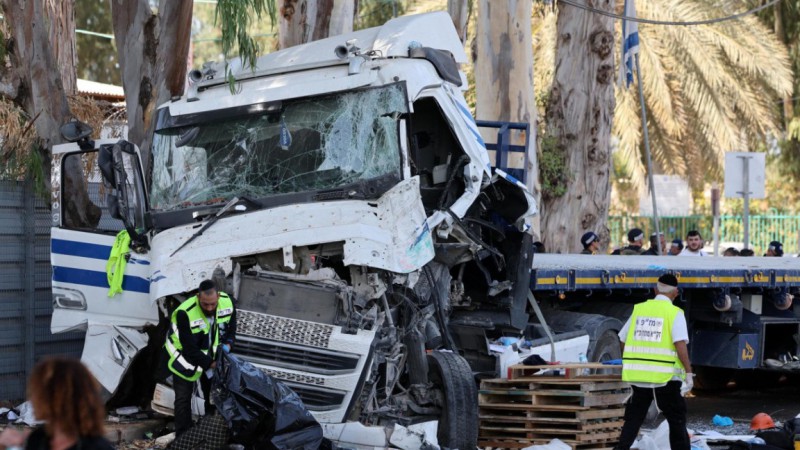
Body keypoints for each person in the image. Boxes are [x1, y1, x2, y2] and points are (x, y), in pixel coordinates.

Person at [615, 274, 693, 450]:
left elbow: (622, 338)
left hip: (638, 376)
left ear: (655, 289)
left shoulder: (639, 309)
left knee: (634, 417)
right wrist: (688, 373)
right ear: (676, 292)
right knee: (676, 418)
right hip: (664, 378)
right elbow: (679, 344)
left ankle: (622, 448)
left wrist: (631, 361)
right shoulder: (674, 313)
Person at [164, 279, 237, 436]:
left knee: (213, 397)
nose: (209, 308)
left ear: (218, 297)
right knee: (183, 399)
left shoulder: (228, 303)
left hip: (210, 356)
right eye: (205, 304)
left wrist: (228, 345)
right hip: (184, 357)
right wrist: (212, 364)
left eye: (213, 304)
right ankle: (184, 438)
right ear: (198, 297)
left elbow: (232, 330)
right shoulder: (185, 312)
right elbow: (189, 348)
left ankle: (211, 433)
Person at [0, 357, 114, 450]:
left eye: (38, 392)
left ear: (57, 399)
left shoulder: (96, 447)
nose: (32, 398)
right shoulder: (38, 439)